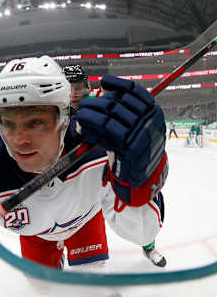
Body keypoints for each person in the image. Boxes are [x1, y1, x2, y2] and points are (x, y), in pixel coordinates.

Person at [0, 56, 168, 288]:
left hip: (85, 223)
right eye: (9, 124)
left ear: (63, 117)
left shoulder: (99, 154)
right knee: (42, 288)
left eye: (35, 122)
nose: (19, 140)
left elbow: (143, 233)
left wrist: (140, 181)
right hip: (36, 235)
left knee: (92, 281)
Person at [64, 64, 167, 267]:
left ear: (86, 87)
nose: (73, 93)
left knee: (140, 214)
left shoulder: (100, 103)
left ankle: (149, 246)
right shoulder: (57, 112)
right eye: (68, 88)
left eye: (78, 87)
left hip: (111, 171)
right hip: (81, 179)